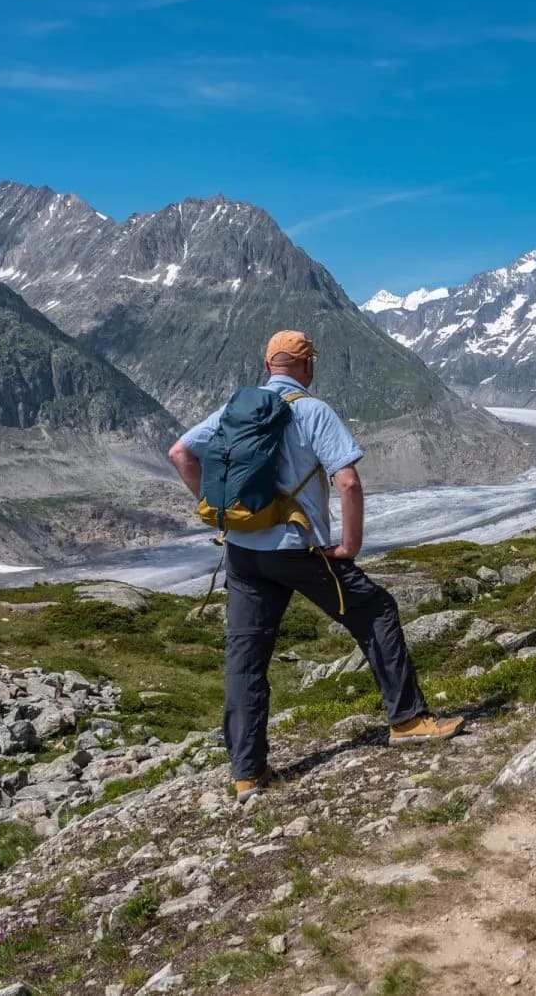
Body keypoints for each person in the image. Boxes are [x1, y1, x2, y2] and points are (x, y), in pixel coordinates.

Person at [168, 330, 463, 798]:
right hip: (297, 548)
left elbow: (180, 453)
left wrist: (221, 510)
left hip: (243, 553)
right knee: (376, 610)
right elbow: (347, 481)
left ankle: (247, 773)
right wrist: (350, 545)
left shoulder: (235, 409)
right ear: (307, 367)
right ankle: (407, 720)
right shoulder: (311, 410)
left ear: (268, 365)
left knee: (245, 659)